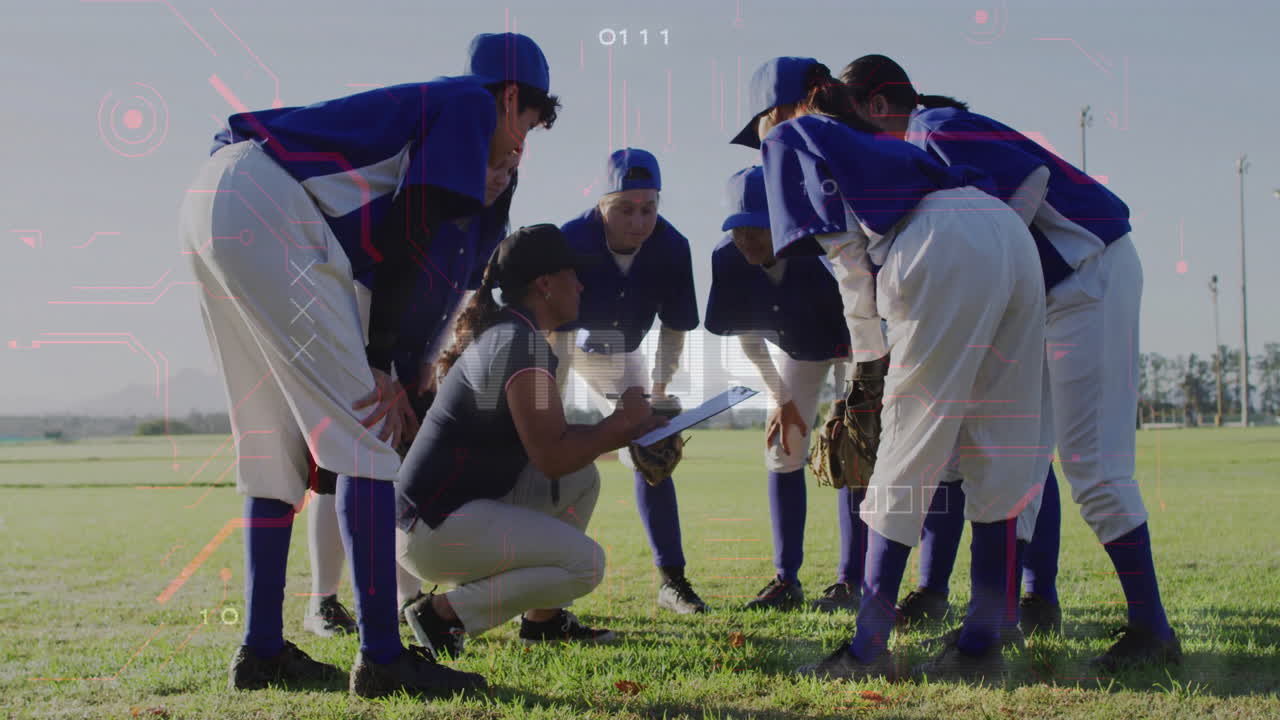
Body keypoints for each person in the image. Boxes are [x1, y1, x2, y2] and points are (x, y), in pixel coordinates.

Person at [180, 32, 557, 698]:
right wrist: (385, 363)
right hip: (268, 204)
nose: (525, 140)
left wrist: (403, 363)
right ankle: (382, 657)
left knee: (274, 449)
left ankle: (261, 650)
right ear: (507, 99)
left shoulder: (451, 129)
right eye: (527, 118)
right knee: (367, 435)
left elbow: (437, 269)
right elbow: (414, 231)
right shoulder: (470, 107)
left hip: (216, 197)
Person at [840, 54, 1180, 671]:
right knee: (1012, 458)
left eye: (858, 120)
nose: (861, 142)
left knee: (1092, 466)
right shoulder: (918, 138)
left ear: (881, 105)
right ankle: (1006, 616)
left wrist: (988, 279)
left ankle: (1152, 628)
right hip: (1044, 293)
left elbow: (1027, 186)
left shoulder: (931, 126)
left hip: (1088, 273)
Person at [732, 56, 1045, 681]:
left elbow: (850, 264)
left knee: (906, 445)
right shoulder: (875, 135)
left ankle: (867, 647)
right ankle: (982, 637)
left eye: (760, 121)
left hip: (936, 243)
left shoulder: (793, 136)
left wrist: (868, 373)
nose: (760, 137)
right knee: (998, 440)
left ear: (780, 108)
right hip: (1006, 234)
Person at [396, 224, 666, 657]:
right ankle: (441, 614)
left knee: (581, 480)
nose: (580, 284)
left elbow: (555, 444)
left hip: (435, 520)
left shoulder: (512, 335)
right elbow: (551, 456)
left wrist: (630, 428)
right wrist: (620, 423)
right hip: (435, 532)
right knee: (586, 564)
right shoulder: (520, 345)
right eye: (572, 274)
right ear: (544, 284)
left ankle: (543, 622)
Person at [301, 151, 523, 637]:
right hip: (357, 346)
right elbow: (365, 286)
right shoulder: (417, 205)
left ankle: (407, 595)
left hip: (408, 358)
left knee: (396, 474)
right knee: (337, 472)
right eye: (491, 164)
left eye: (509, 169)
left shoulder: (485, 225)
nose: (498, 178)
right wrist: (377, 367)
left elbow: (458, 294)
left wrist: (425, 359)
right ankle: (322, 602)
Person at [550, 148, 705, 614]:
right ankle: (534, 583)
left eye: (649, 208)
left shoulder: (672, 246)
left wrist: (658, 393)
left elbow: (675, 328)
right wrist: (551, 410)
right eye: (625, 209)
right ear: (602, 206)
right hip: (558, 344)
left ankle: (672, 581)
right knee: (541, 450)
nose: (639, 221)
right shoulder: (570, 240)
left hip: (620, 353)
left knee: (652, 444)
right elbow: (554, 334)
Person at [705, 166, 865, 612]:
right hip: (799, 348)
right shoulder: (728, 257)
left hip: (857, 345)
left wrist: (849, 402)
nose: (746, 239)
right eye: (738, 228)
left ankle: (852, 581)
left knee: (851, 451)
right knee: (783, 444)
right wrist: (781, 398)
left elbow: (864, 322)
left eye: (757, 228)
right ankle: (785, 580)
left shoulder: (823, 251)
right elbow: (747, 334)